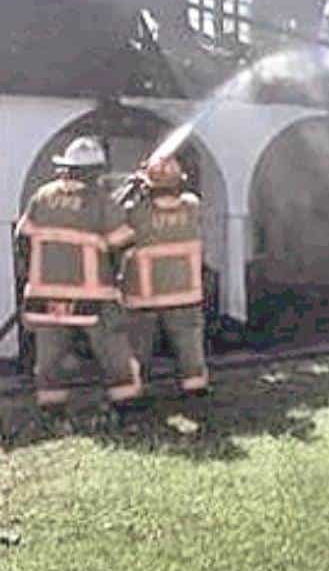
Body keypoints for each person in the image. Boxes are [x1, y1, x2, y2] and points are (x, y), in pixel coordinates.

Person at [15, 136, 142, 414]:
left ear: (66, 168)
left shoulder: (42, 196)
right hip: (93, 296)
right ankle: (126, 401)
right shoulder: (101, 201)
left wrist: (39, 272)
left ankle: (51, 404)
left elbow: (22, 239)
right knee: (112, 349)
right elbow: (122, 244)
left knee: (50, 355)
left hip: (45, 293)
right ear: (95, 172)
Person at [115, 154, 209, 397]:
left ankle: (133, 396)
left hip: (143, 298)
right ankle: (196, 393)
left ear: (148, 185)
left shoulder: (136, 212)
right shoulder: (192, 206)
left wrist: (130, 188)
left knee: (138, 351)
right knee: (190, 351)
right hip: (186, 295)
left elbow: (113, 232)